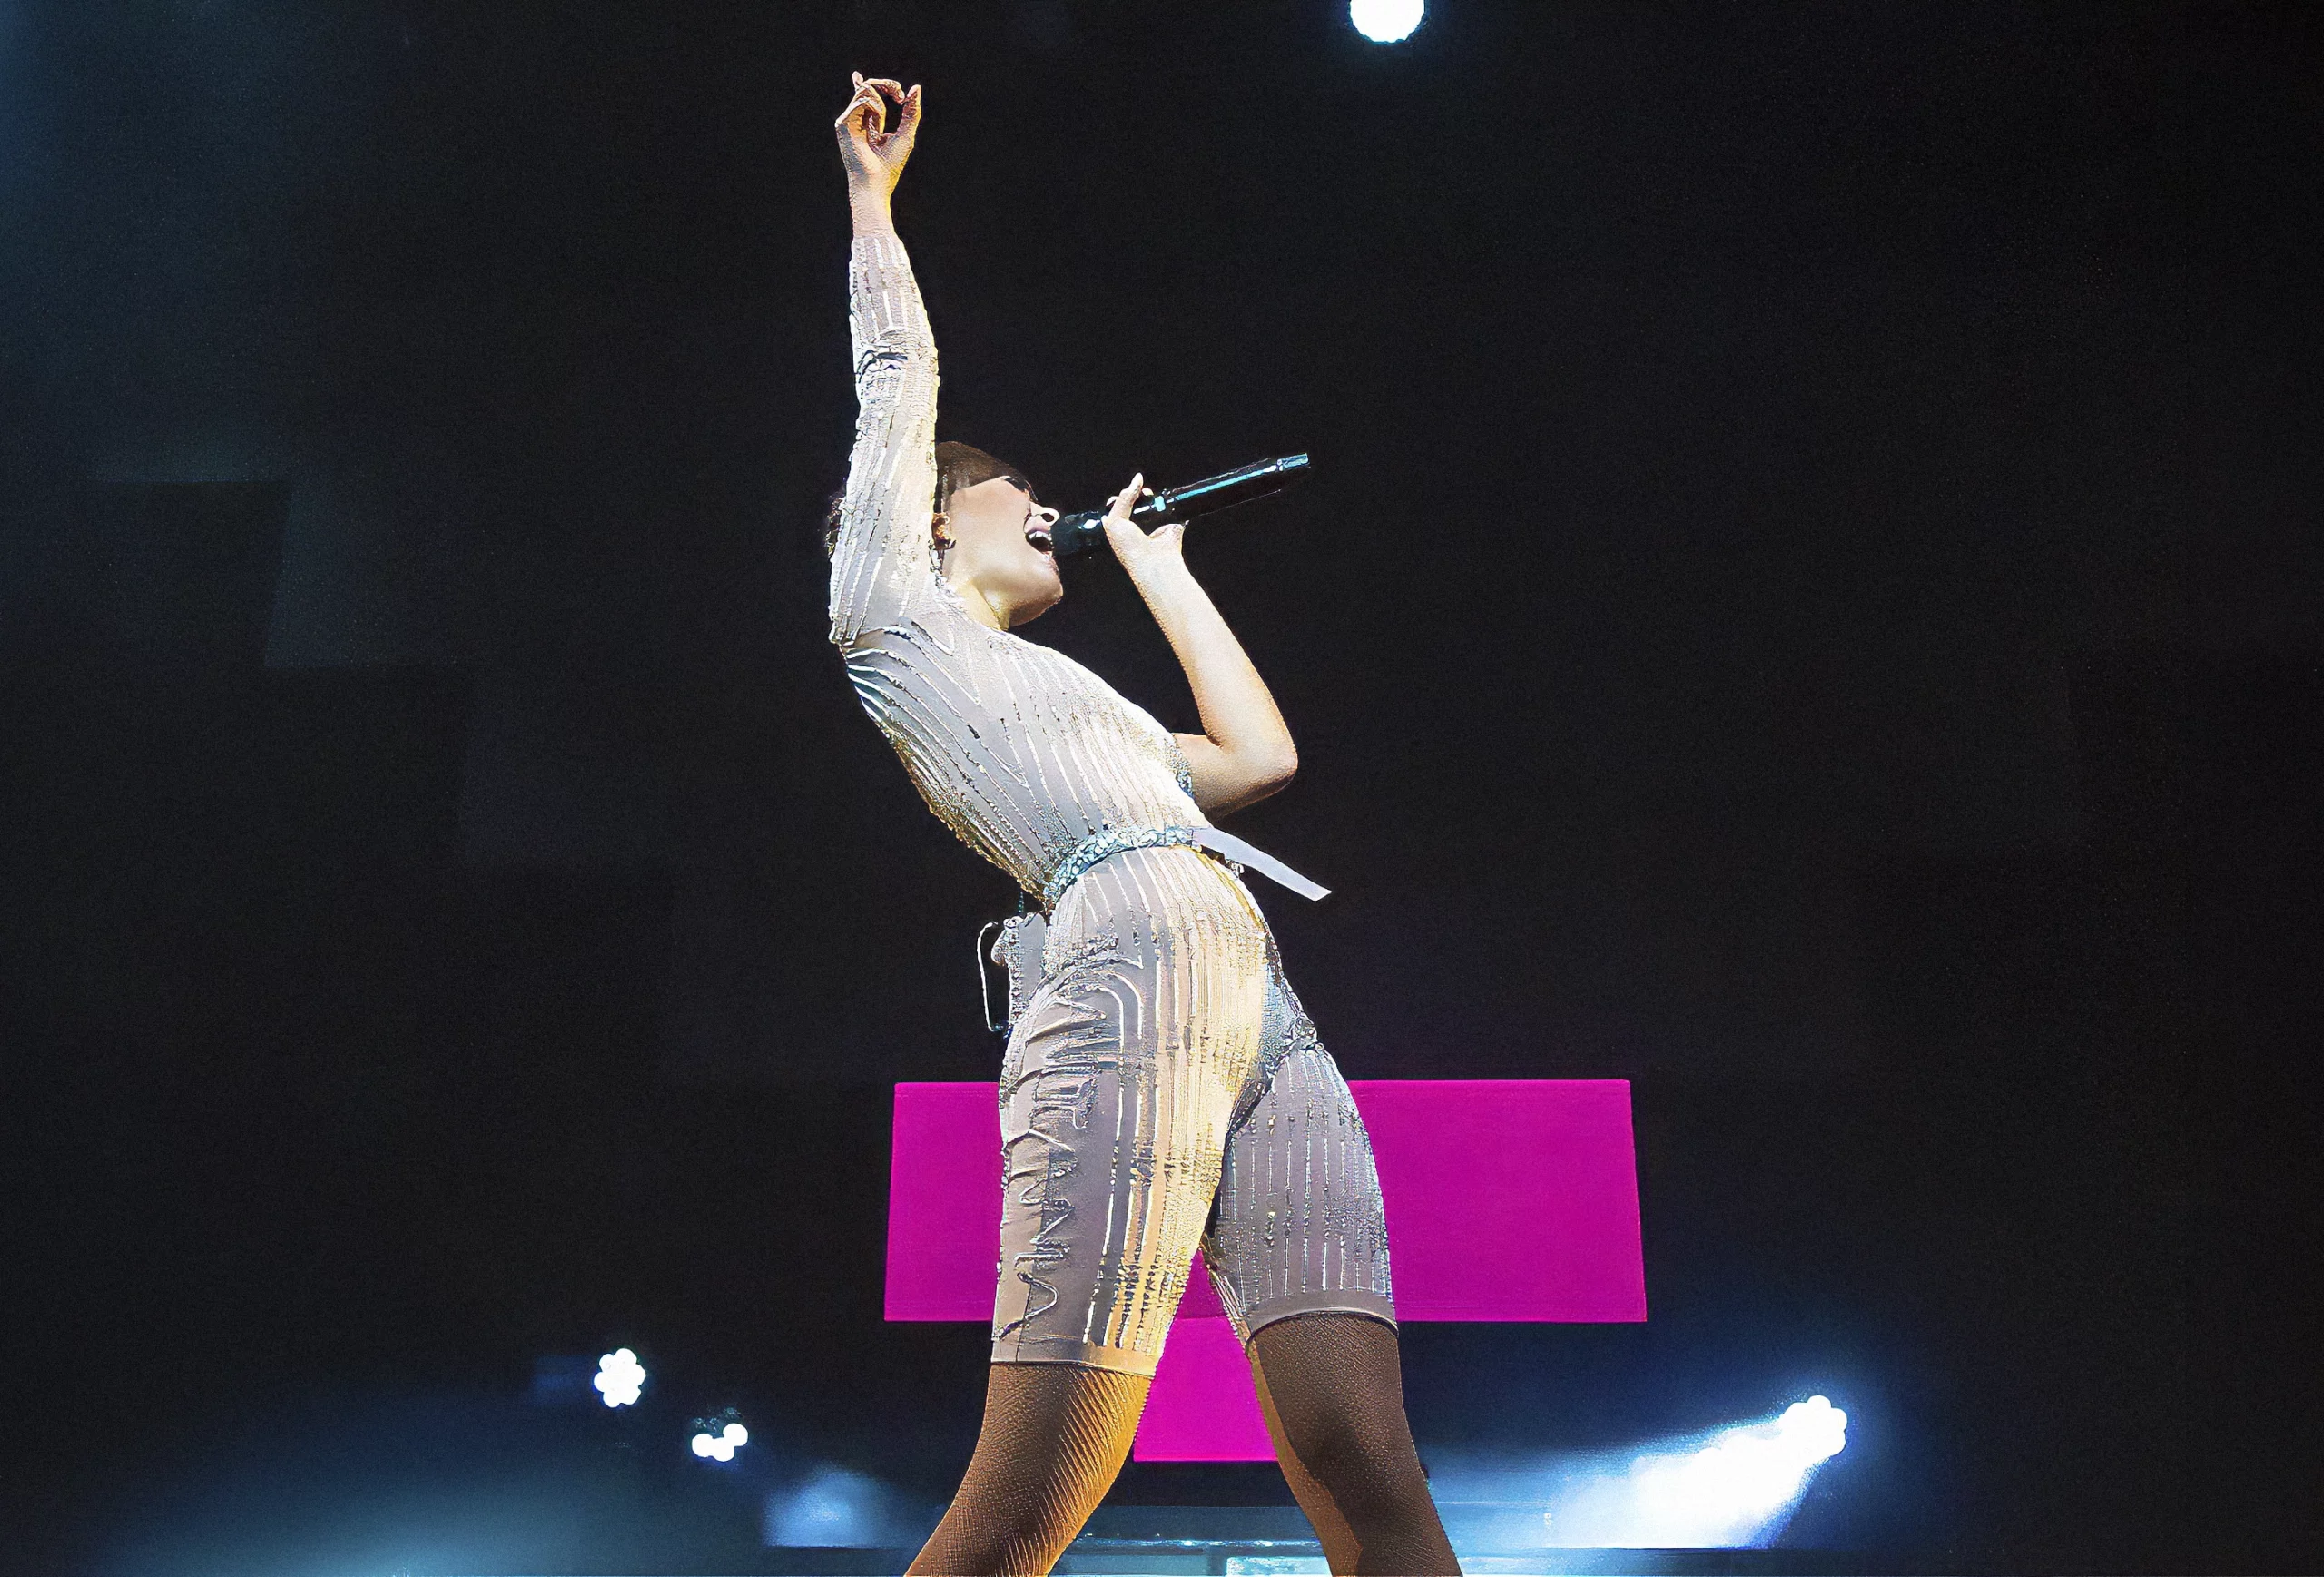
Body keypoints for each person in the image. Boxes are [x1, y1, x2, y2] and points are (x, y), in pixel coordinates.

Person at [830, 74, 1462, 1577]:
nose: (1041, 509)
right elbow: (896, 382)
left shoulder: (1080, 702)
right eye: (1021, 495)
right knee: (1045, 1483)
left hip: (1250, 986)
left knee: (1362, 1452)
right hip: (1117, 962)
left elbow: (1255, 759)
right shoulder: (892, 615)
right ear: (937, 516)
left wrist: (1160, 569)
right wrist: (872, 197)